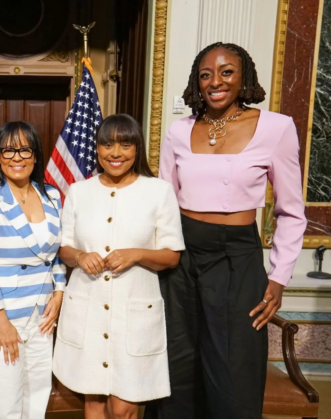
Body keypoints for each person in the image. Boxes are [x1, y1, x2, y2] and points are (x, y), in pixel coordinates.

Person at [145, 42, 307, 419]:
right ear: (196, 82)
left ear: (244, 77)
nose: (215, 81)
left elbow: (291, 211)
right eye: (206, 74)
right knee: (177, 360)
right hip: (181, 256)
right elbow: (163, 202)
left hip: (237, 257)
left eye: (226, 71)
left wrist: (279, 278)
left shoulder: (276, 128)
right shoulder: (178, 130)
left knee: (234, 365)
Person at [52, 114, 184, 419]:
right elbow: (63, 247)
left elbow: (172, 255)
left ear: (136, 149)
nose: (115, 153)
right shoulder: (78, 192)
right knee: (94, 404)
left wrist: (136, 254)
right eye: (107, 144)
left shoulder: (158, 192)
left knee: (124, 410)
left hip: (134, 315)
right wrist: (80, 257)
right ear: (96, 149)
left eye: (125, 145)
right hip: (88, 309)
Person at [0, 121, 66, 418]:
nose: (17, 157)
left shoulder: (52, 196)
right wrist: (0, 320)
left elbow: (56, 254)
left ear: (36, 156)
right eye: (8, 150)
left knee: (37, 397)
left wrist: (59, 292)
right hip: (3, 315)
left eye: (25, 149)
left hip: (41, 314)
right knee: (4, 401)